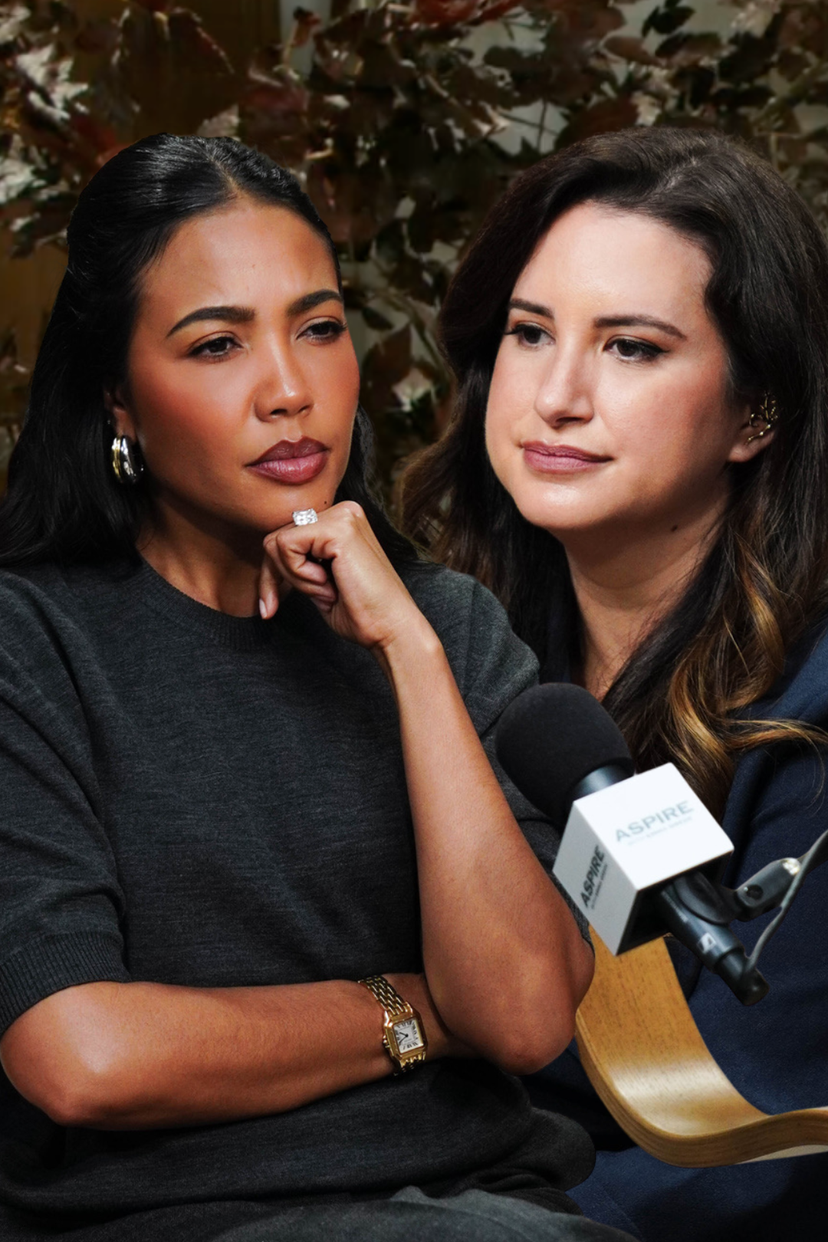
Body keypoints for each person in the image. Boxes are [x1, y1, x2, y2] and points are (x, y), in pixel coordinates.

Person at [0, 134, 637, 1242]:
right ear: (117, 398)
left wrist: (411, 654)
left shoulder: (444, 624)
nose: (289, 390)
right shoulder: (31, 644)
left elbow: (527, 1017)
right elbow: (82, 1056)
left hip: (489, 1205)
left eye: (320, 328)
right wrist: (419, 1011)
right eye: (215, 347)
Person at [400, 126, 828, 1242]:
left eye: (632, 348)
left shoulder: (812, 718)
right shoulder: (436, 648)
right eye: (531, 334)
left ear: (757, 412)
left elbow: (755, 1137)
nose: (557, 395)